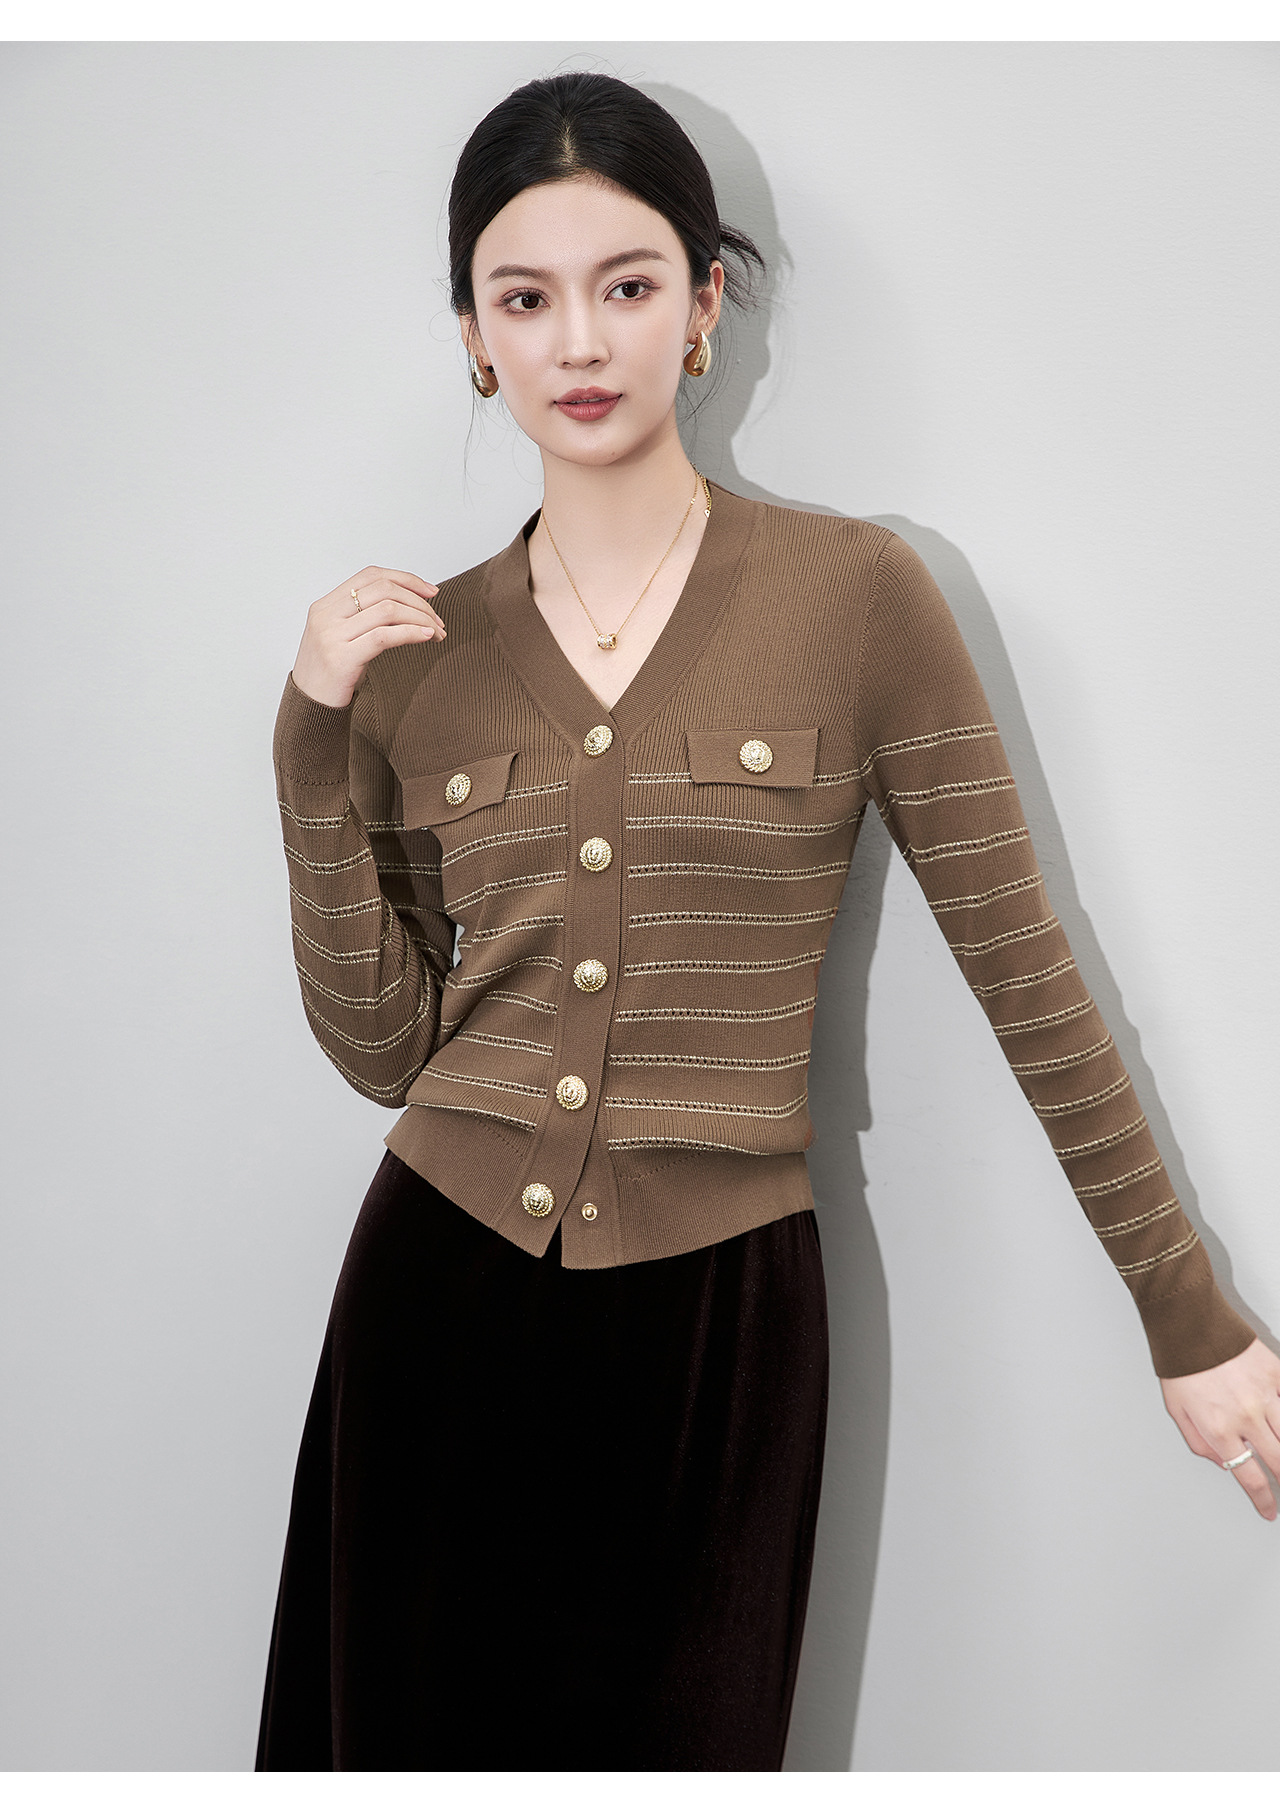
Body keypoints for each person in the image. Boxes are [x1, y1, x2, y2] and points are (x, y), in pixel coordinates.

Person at [255, 71, 1280, 1773]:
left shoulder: (858, 596)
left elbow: (1027, 966)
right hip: (438, 1308)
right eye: (526, 298)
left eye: (627, 283)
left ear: (705, 302)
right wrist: (309, 737)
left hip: (717, 1334)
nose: (582, 340)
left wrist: (1189, 1313)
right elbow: (383, 1051)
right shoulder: (414, 654)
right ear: (475, 337)